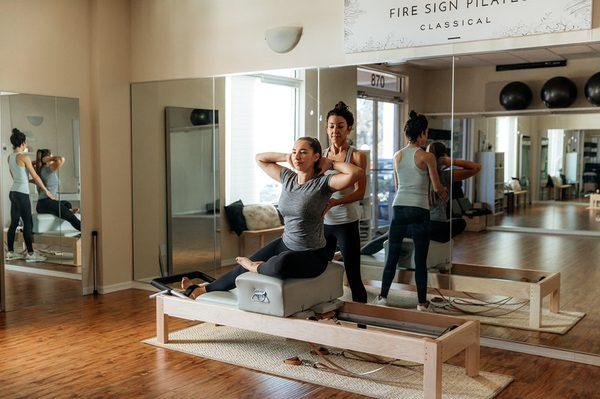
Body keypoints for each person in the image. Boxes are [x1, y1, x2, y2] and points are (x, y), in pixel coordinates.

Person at [181, 137, 363, 299]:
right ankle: (202, 290)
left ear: (316, 157)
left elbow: (356, 173)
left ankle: (255, 267)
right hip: (285, 242)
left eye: (303, 152)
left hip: (311, 254)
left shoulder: (323, 184)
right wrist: (286, 157)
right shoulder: (288, 178)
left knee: (279, 265)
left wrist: (330, 163)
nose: (297, 156)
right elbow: (260, 158)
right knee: (240, 268)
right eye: (295, 152)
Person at [374, 111, 447, 311]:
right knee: (420, 259)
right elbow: (437, 186)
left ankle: (382, 297)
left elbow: (398, 186)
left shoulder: (397, 155)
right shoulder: (427, 156)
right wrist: (443, 191)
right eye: (426, 133)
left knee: (392, 256)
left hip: (398, 207)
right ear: (422, 133)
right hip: (418, 208)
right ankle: (422, 303)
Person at [322, 102, 368, 303]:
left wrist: (335, 203)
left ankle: (363, 322)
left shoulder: (357, 156)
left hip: (347, 222)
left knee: (353, 276)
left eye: (340, 126)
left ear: (349, 128)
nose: (335, 131)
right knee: (320, 271)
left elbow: (360, 193)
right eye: (331, 126)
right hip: (324, 224)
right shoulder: (320, 155)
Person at [6, 128, 54, 262]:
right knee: (28, 223)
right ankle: (31, 254)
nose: (26, 144)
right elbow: (35, 176)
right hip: (22, 194)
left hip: (13, 192)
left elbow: (15, 174)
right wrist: (46, 190)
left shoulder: (10, 157)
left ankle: (10, 252)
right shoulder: (24, 157)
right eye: (26, 142)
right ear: (22, 142)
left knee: (14, 222)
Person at [426, 142, 481, 242]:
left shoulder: (420, 174)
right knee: (461, 223)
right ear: (444, 157)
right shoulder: (446, 175)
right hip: (437, 226)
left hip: (420, 225)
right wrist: (452, 161)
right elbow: (477, 167)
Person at [34, 149, 81, 231]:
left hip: (43, 204)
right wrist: (46, 159)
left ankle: (68, 210)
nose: (52, 158)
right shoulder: (48, 169)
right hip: (46, 202)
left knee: (67, 203)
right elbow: (61, 159)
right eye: (51, 156)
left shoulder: (40, 169)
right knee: (72, 218)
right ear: (47, 158)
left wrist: (40, 160)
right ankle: (85, 233)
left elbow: (32, 164)